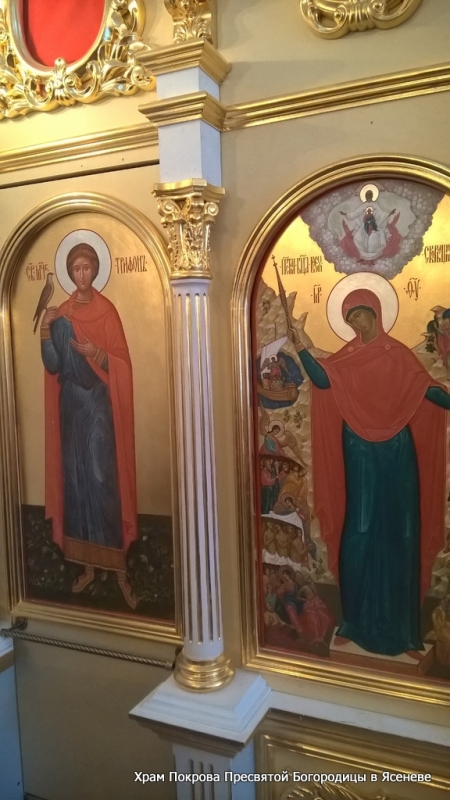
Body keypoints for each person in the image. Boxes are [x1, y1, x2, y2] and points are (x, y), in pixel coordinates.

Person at [287, 288, 450, 656]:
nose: (355, 323)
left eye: (359, 315)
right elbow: (323, 379)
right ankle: (354, 621)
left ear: (375, 311)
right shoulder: (349, 356)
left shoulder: (398, 355)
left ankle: (405, 632)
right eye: (349, 319)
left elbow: (426, 390)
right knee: (359, 529)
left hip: (397, 452)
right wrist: (299, 345)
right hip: (360, 449)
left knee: (402, 531)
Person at [41, 242, 138, 609]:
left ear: (95, 271)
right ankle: (87, 566)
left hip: (97, 404)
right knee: (77, 481)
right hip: (70, 406)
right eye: (75, 269)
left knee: (100, 478)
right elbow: (53, 365)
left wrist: (96, 353)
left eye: (86, 268)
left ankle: (120, 570)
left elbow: (122, 363)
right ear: (70, 273)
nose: (81, 274)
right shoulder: (62, 314)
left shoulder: (106, 312)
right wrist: (46, 331)